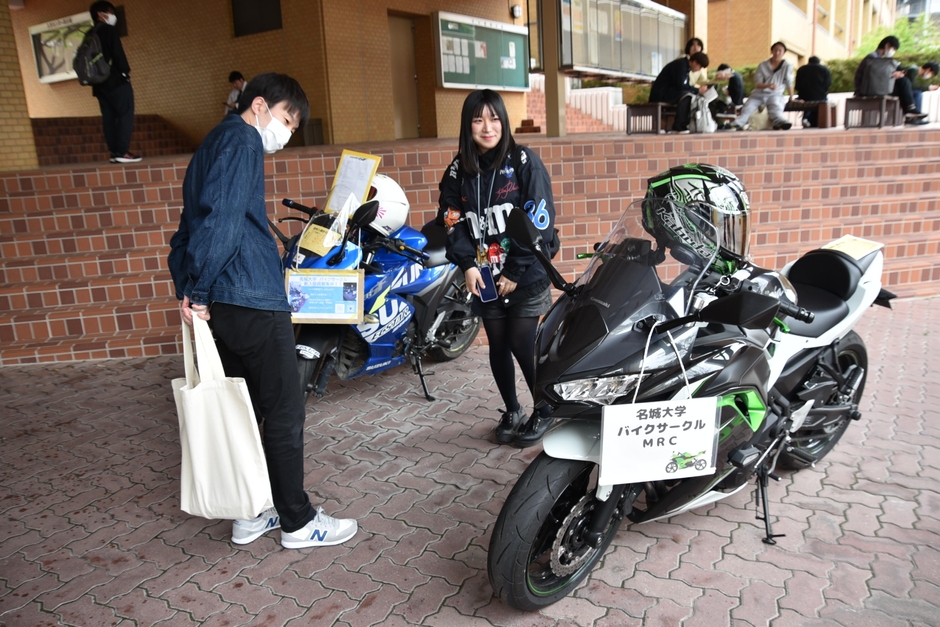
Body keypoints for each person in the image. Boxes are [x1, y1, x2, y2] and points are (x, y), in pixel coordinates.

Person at [167, 72, 358, 549]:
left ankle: (251, 514)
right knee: (285, 409)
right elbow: (225, 221)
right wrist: (203, 290)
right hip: (249, 296)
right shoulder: (242, 141)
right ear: (259, 106)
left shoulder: (211, 144)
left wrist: (190, 288)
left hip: (224, 306)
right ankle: (297, 520)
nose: (286, 133)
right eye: (287, 120)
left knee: (245, 410)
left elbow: (188, 228)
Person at [439, 89, 556, 448]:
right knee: (498, 344)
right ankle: (512, 410)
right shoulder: (459, 169)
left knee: (523, 342)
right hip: (484, 276)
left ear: (504, 121)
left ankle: (546, 408)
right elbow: (451, 219)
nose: (487, 127)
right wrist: (467, 266)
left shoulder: (524, 162)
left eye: (494, 118)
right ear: (468, 125)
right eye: (478, 119)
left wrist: (515, 272)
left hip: (525, 274)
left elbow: (540, 220)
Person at [88, 2, 140, 163]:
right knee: (125, 114)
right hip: (115, 81)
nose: (112, 16)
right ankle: (122, 151)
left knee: (108, 117)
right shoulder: (108, 30)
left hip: (99, 84)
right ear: (100, 14)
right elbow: (118, 55)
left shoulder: (90, 33)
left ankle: (115, 152)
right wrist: (125, 73)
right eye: (110, 12)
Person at [731, 42, 794, 131]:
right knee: (747, 108)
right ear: (771, 51)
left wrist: (792, 98)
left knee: (776, 107)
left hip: (775, 94)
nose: (777, 53)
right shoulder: (763, 65)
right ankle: (738, 124)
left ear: (783, 53)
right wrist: (768, 85)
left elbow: (789, 82)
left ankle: (780, 122)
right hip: (758, 94)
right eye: (775, 50)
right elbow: (758, 83)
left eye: (780, 51)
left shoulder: (787, 65)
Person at [649, 51, 711, 132]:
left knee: (691, 95)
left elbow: (684, 86)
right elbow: (681, 86)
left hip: (669, 92)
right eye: (700, 67)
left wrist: (696, 91)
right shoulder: (681, 65)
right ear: (695, 62)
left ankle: (686, 124)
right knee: (687, 96)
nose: (699, 69)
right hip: (661, 94)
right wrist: (697, 90)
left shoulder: (686, 68)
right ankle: (679, 125)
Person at [794, 56, 832, 127]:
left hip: (804, 96)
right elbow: (828, 84)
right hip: (820, 96)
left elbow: (797, 85)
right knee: (822, 102)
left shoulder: (801, 69)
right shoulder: (825, 69)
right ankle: (812, 120)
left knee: (808, 100)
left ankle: (806, 118)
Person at [897, 61, 938, 125]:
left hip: (901, 91)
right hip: (898, 91)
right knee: (917, 93)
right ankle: (915, 118)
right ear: (928, 69)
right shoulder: (913, 70)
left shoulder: (914, 70)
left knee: (917, 92)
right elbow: (912, 86)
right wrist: (928, 87)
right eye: (931, 73)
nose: (930, 75)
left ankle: (914, 118)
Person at [710, 64, 744, 129]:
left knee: (714, 100)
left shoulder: (733, 78)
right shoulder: (737, 75)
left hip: (733, 104)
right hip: (738, 102)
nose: (721, 78)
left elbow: (728, 93)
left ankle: (720, 117)